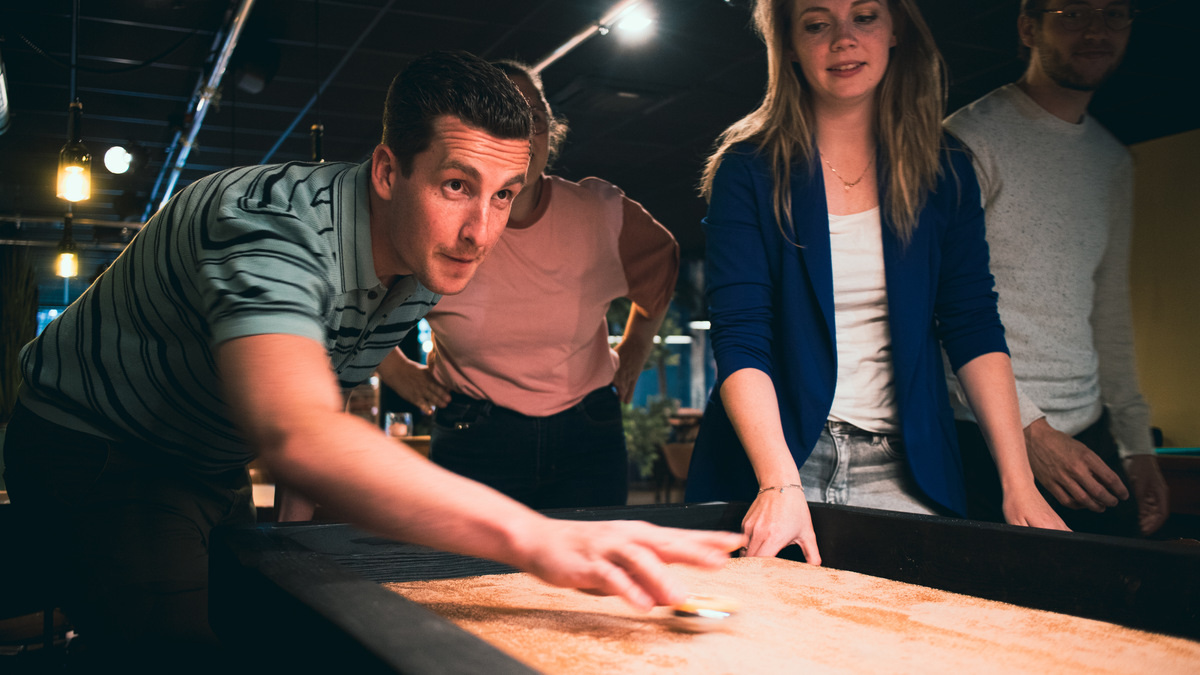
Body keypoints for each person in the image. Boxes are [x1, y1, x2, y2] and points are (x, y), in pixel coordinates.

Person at [1, 50, 742, 669]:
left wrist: (292, 533)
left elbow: (318, 401)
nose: (481, 231)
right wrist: (542, 536)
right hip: (100, 445)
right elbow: (298, 431)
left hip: (209, 457)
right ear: (388, 171)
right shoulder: (270, 228)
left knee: (261, 623)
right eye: (458, 185)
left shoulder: (424, 260)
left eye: (504, 194)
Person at [685, 0, 1067, 565]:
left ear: (895, 32)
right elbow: (742, 338)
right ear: (789, 45)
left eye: (864, 16)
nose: (844, 39)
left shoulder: (946, 169)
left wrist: (1019, 481)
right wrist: (780, 485)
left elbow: (973, 326)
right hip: (781, 461)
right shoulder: (750, 169)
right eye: (817, 24)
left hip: (909, 468)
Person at [377, 60, 678, 509]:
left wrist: (635, 348)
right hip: (474, 434)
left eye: (533, 118)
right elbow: (354, 297)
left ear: (550, 130)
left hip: (587, 432)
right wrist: (397, 370)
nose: (522, 135)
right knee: (465, 577)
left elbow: (665, 263)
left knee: (590, 574)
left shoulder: (599, 213)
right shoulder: (431, 217)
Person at [943, 0, 1169, 537]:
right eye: (1072, 11)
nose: (1096, 29)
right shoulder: (965, 141)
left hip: (1090, 434)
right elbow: (933, 311)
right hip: (983, 434)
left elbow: (1108, 315)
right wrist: (1029, 433)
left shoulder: (1112, 161)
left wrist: (1136, 447)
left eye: (1115, 13)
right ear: (1028, 27)